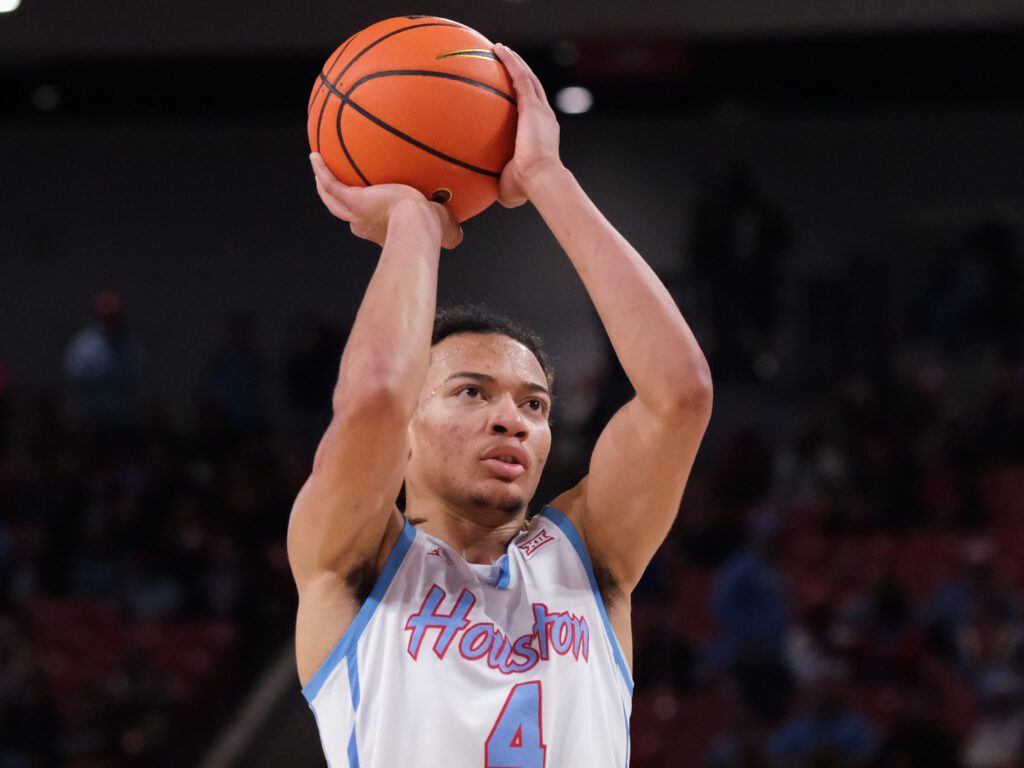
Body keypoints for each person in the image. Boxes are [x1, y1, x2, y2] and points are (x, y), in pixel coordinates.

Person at [287, 43, 713, 767]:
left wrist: (545, 177)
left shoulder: (588, 559)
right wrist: (413, 226)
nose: (511, 417)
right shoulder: (354, 560)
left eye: (535, 404)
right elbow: (370, 400)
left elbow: (681, 394)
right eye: (470, 392)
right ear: (408, 436)